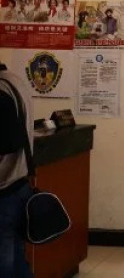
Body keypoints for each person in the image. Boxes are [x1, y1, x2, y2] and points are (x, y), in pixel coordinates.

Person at [0, 62, 34, 277]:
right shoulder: (15, 80)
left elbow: (6, 143)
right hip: (19, 182)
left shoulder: (1, 90)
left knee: (4, 262)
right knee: (16, 256)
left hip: (4, 187)